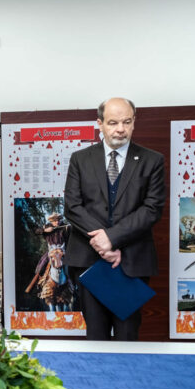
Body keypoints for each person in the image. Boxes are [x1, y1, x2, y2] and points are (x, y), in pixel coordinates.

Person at [64, 97, 166, 340]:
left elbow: (152, 209)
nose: (120, 129)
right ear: (99, 123)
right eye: (113, 123)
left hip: (131, 261)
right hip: (89, 261)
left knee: (127, 336)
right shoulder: (80, 159)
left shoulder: (152, 160)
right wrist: (103, 244)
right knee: (95, 335)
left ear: (134, 122)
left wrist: (112, 239)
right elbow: (73, 207)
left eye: (126, 122)